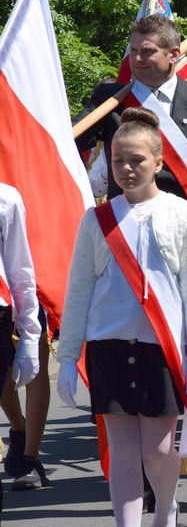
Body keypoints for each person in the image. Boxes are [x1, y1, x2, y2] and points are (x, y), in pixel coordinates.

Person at [73, 14, 187, 499]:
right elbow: (71, 149)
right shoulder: (111, 100)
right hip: (127, 246)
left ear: (174, 55)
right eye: (133, 48)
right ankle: (148, 475)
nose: (137, 57)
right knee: (139, 364)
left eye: (148, 50)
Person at [57, 107, 187, 527]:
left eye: (137, 160)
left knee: (159, 450)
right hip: (108, 346)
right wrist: (69, 356)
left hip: (160, 348)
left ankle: (166, 511)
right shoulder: (97, 219)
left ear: (158, 164)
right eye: (117, 161)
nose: (126, 169)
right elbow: (79, 290)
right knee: (122, 450)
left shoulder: (183, 215)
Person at [0, 184, 43, 502]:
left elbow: (20, 269)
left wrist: (30, 332)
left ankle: (25, 442)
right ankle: (19, 426)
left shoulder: (6, 198)